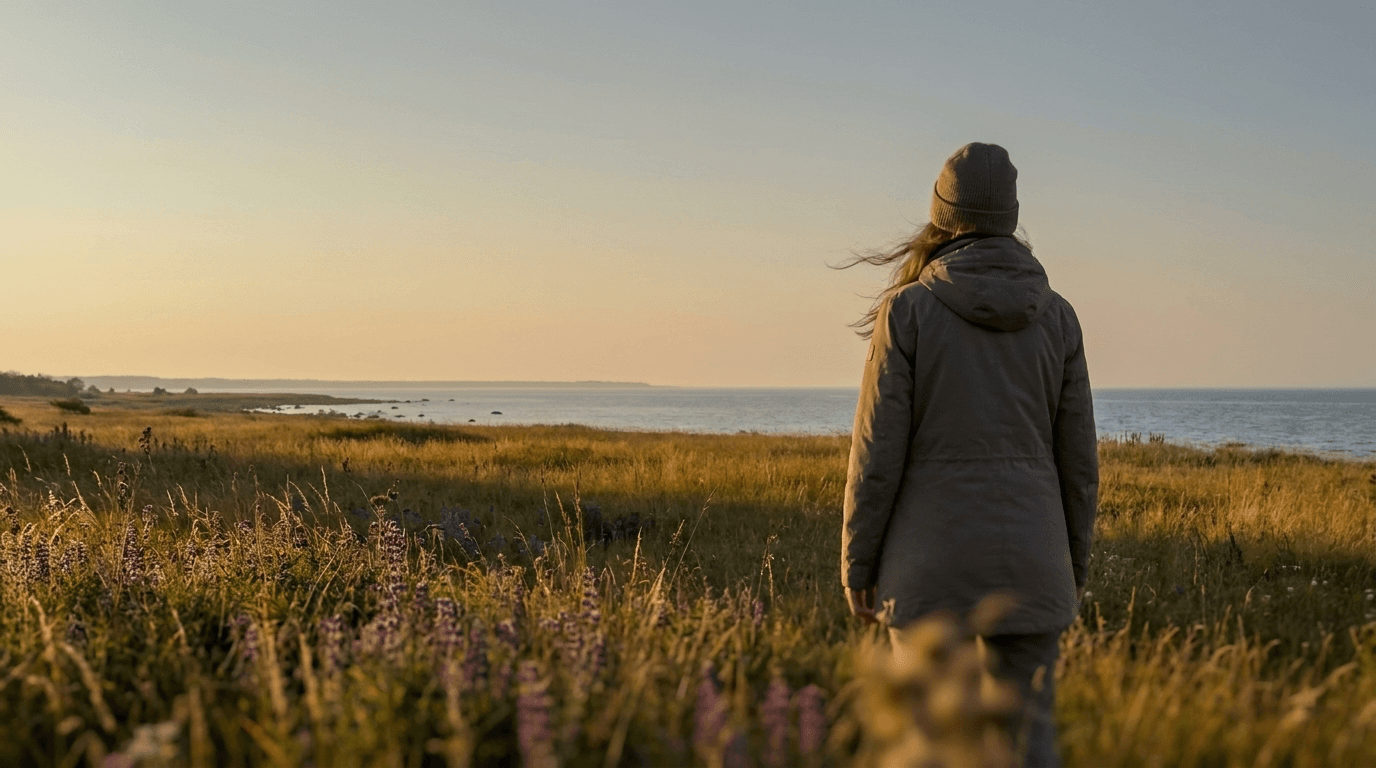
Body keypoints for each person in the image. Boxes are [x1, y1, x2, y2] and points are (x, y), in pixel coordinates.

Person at [839, 142, 1098, 767]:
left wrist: (857, 566)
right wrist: (1071, 566)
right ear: (1010, 215)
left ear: (942, 215)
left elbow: (876, 454)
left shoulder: (908, 312)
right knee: (1030, 749)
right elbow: (1080, 468)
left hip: (926, 577)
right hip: (1035, 568)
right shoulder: (1058, 318)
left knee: (927, 750)